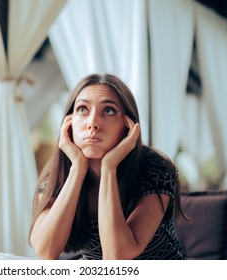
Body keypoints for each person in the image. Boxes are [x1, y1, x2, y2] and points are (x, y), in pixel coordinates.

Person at [29, 73, 187, 260]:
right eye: (82, 109)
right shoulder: (60, 171)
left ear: (127, 125)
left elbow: (116, 258)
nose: (93, 124)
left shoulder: (156, 169)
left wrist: (109, 168)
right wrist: (78, 168)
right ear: (68, 123)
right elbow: (46, 251)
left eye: (108, 110)